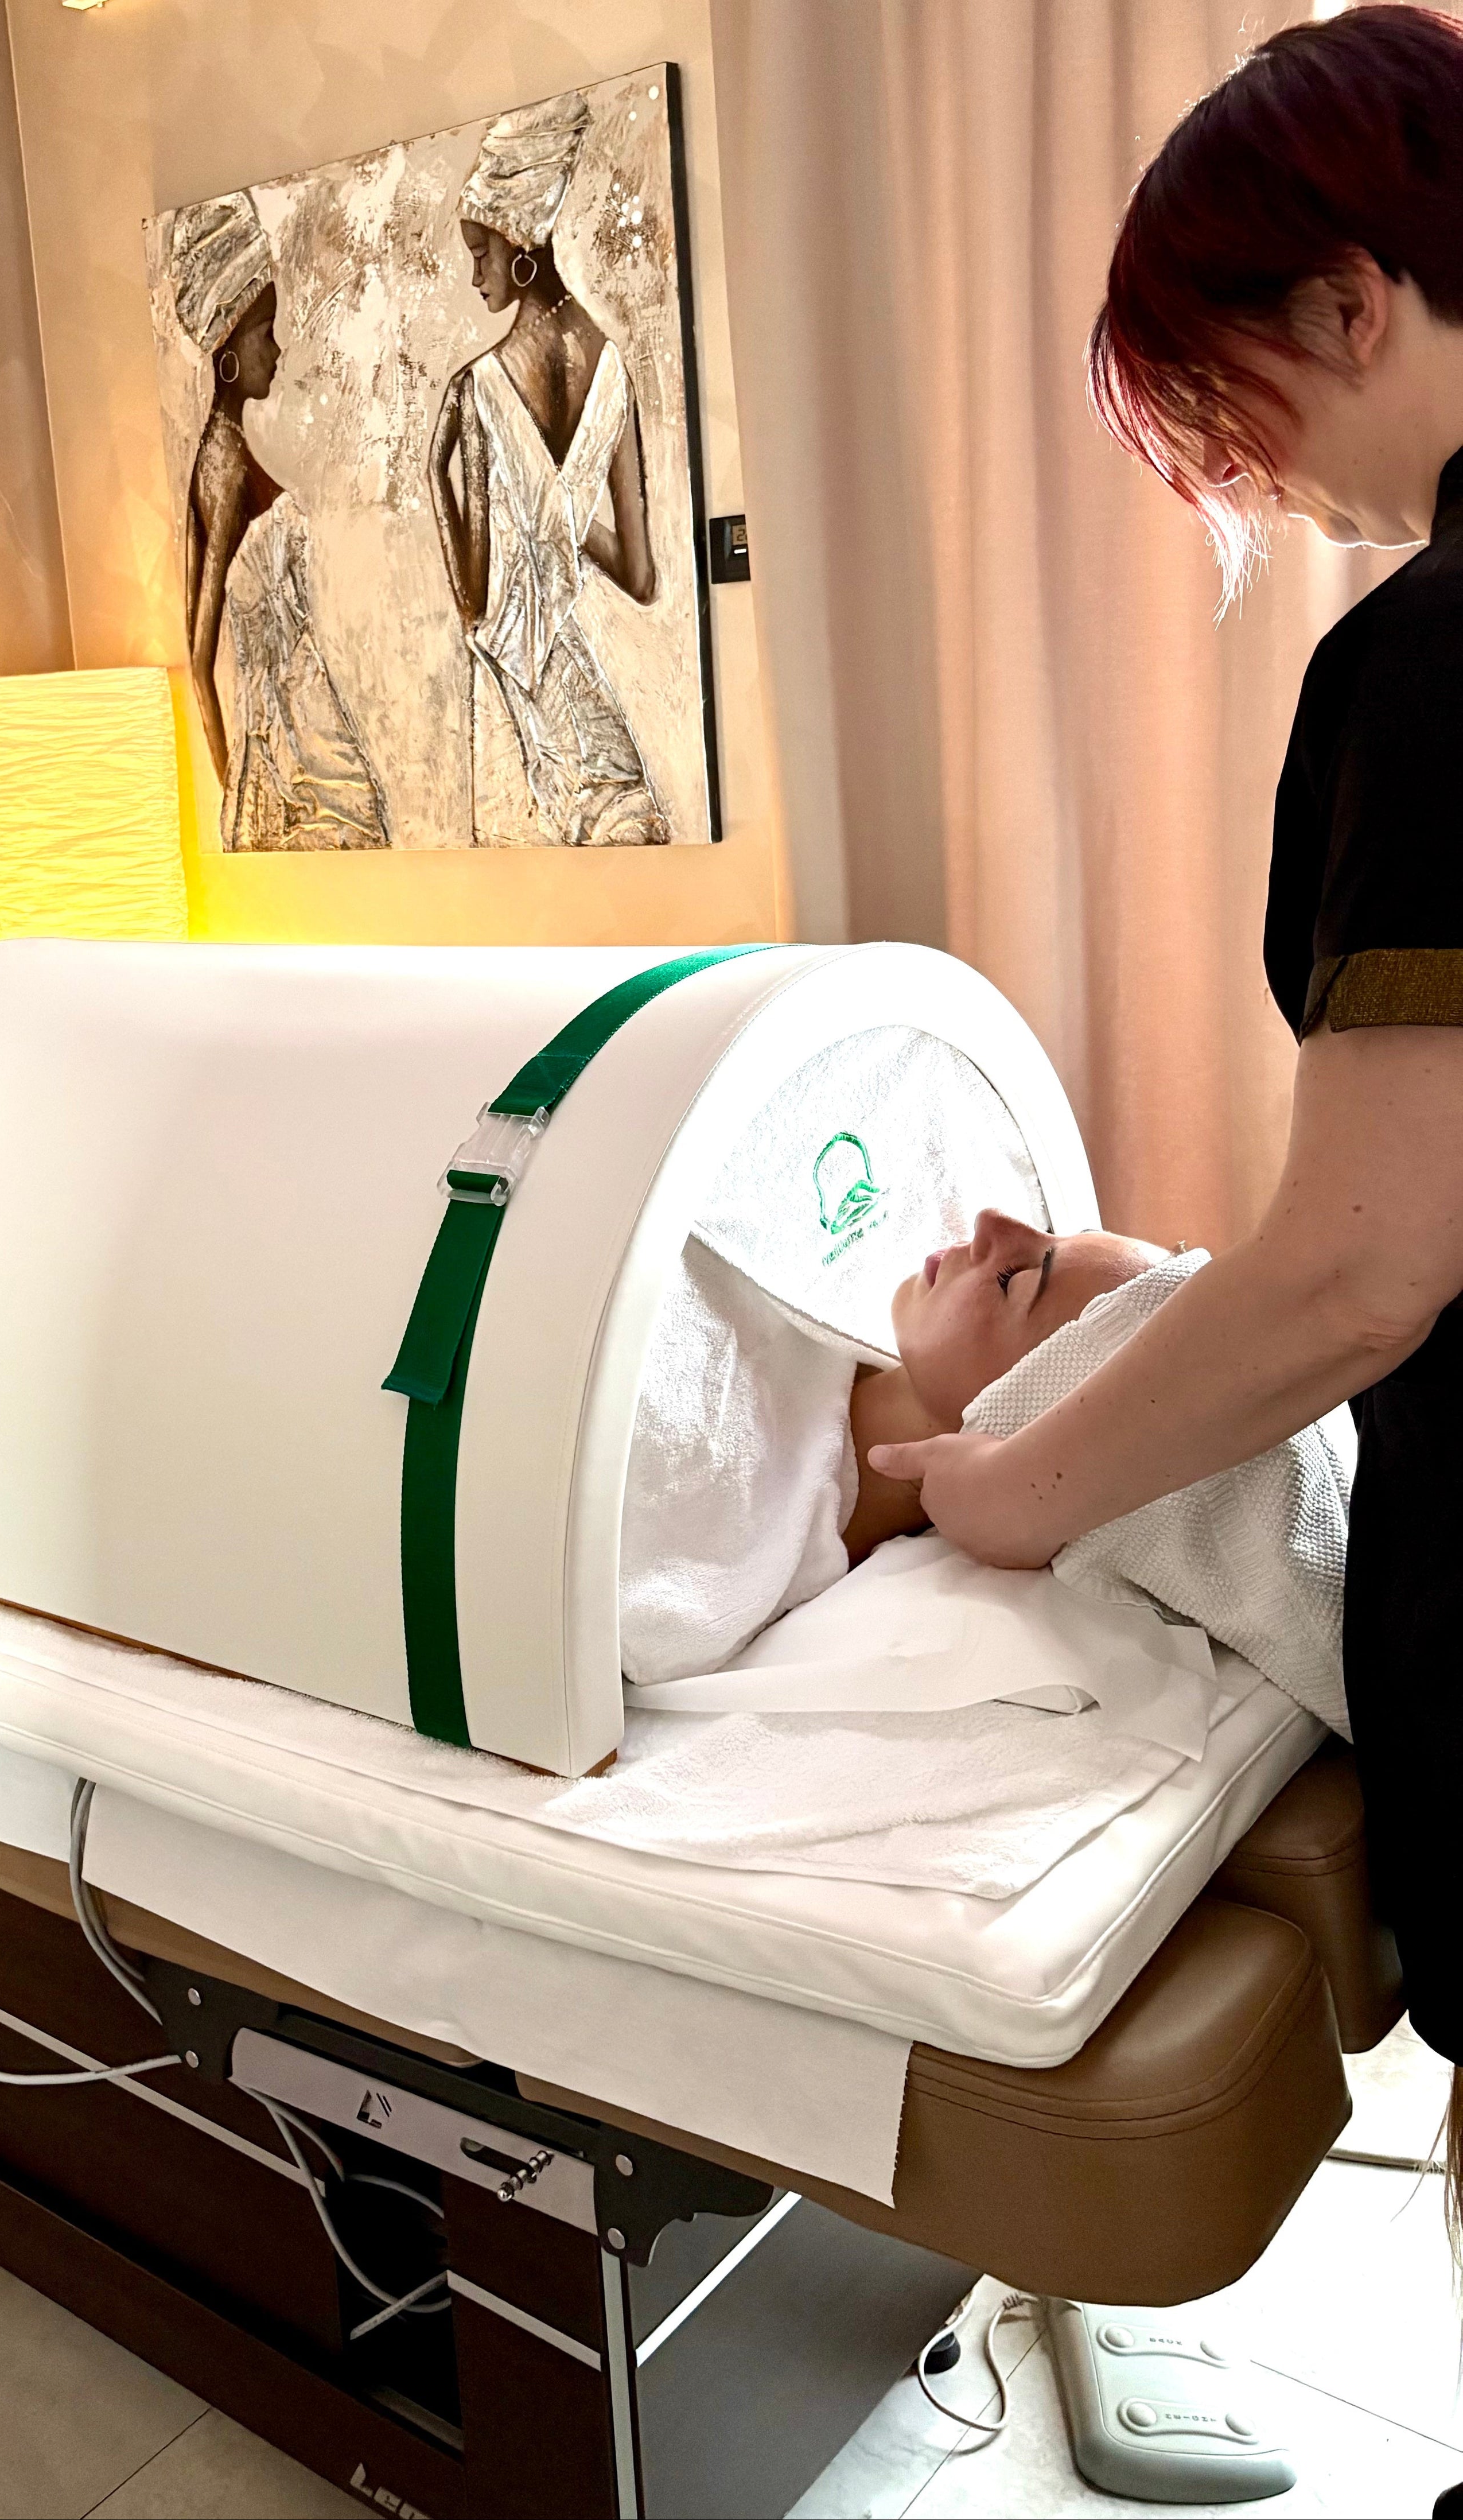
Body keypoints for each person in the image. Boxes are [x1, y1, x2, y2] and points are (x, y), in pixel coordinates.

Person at [858, 2, 1463, 2280]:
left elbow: (1364, 1265)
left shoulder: (1434, 665)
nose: (1248, 481)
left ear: (1351, 298)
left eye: (1228, 408)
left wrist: (1020, 1476)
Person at [621, 1209, 1163, 1686]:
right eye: (1058, 1233)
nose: (991, 1220)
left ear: (1014, 1411)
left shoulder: (708, 1541)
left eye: (1013, 1280)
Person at [428, 92, 668, 847]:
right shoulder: (615, 371)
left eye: (481, 254)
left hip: (517, 703)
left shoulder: (478, 387)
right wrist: (561, 519)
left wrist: (438, 478)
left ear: (518, 243)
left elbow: (474, 596)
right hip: (591, 721)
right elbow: (642, 578)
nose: (475, 276)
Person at [169, 192, 388, 852]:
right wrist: (232, 782)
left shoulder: (222, 455)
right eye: (266, 331)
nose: (279, 347)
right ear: (229, 353)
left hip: (298, 732)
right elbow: (199, 653)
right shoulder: (228, 470)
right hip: (295, 745)